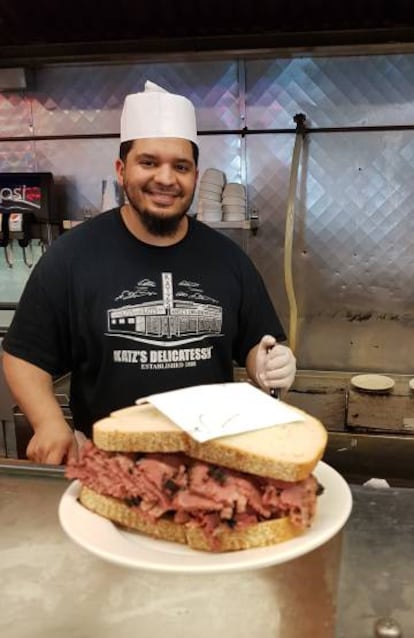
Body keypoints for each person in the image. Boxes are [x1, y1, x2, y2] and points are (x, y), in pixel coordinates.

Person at [2, 81, 296, 465]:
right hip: (109, 462)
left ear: (194, 175)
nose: (166, 179)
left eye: (181, 166)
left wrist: (267, 364)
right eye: (148, 162)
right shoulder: (71, 256)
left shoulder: (228, 259)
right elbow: (25, 355)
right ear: (122, 170)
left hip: (208, 463)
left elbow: (260, 344)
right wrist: (47, 422)